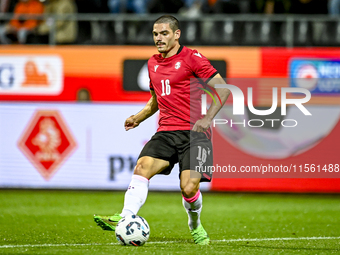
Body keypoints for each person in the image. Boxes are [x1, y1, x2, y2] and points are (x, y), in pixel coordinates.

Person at [94, 15, 230, 245]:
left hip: (196, 134)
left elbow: (224, 90)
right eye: (156, 34)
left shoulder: (192, 58)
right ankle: (125, 216)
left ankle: (194, 224)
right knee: (142, 166)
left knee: (188, 188)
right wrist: (138, 118)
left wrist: (208, 118)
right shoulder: (152, 63)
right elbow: (155, 101)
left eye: (164, 33)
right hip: (166, 132)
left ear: (177, 35)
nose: (159, 38)